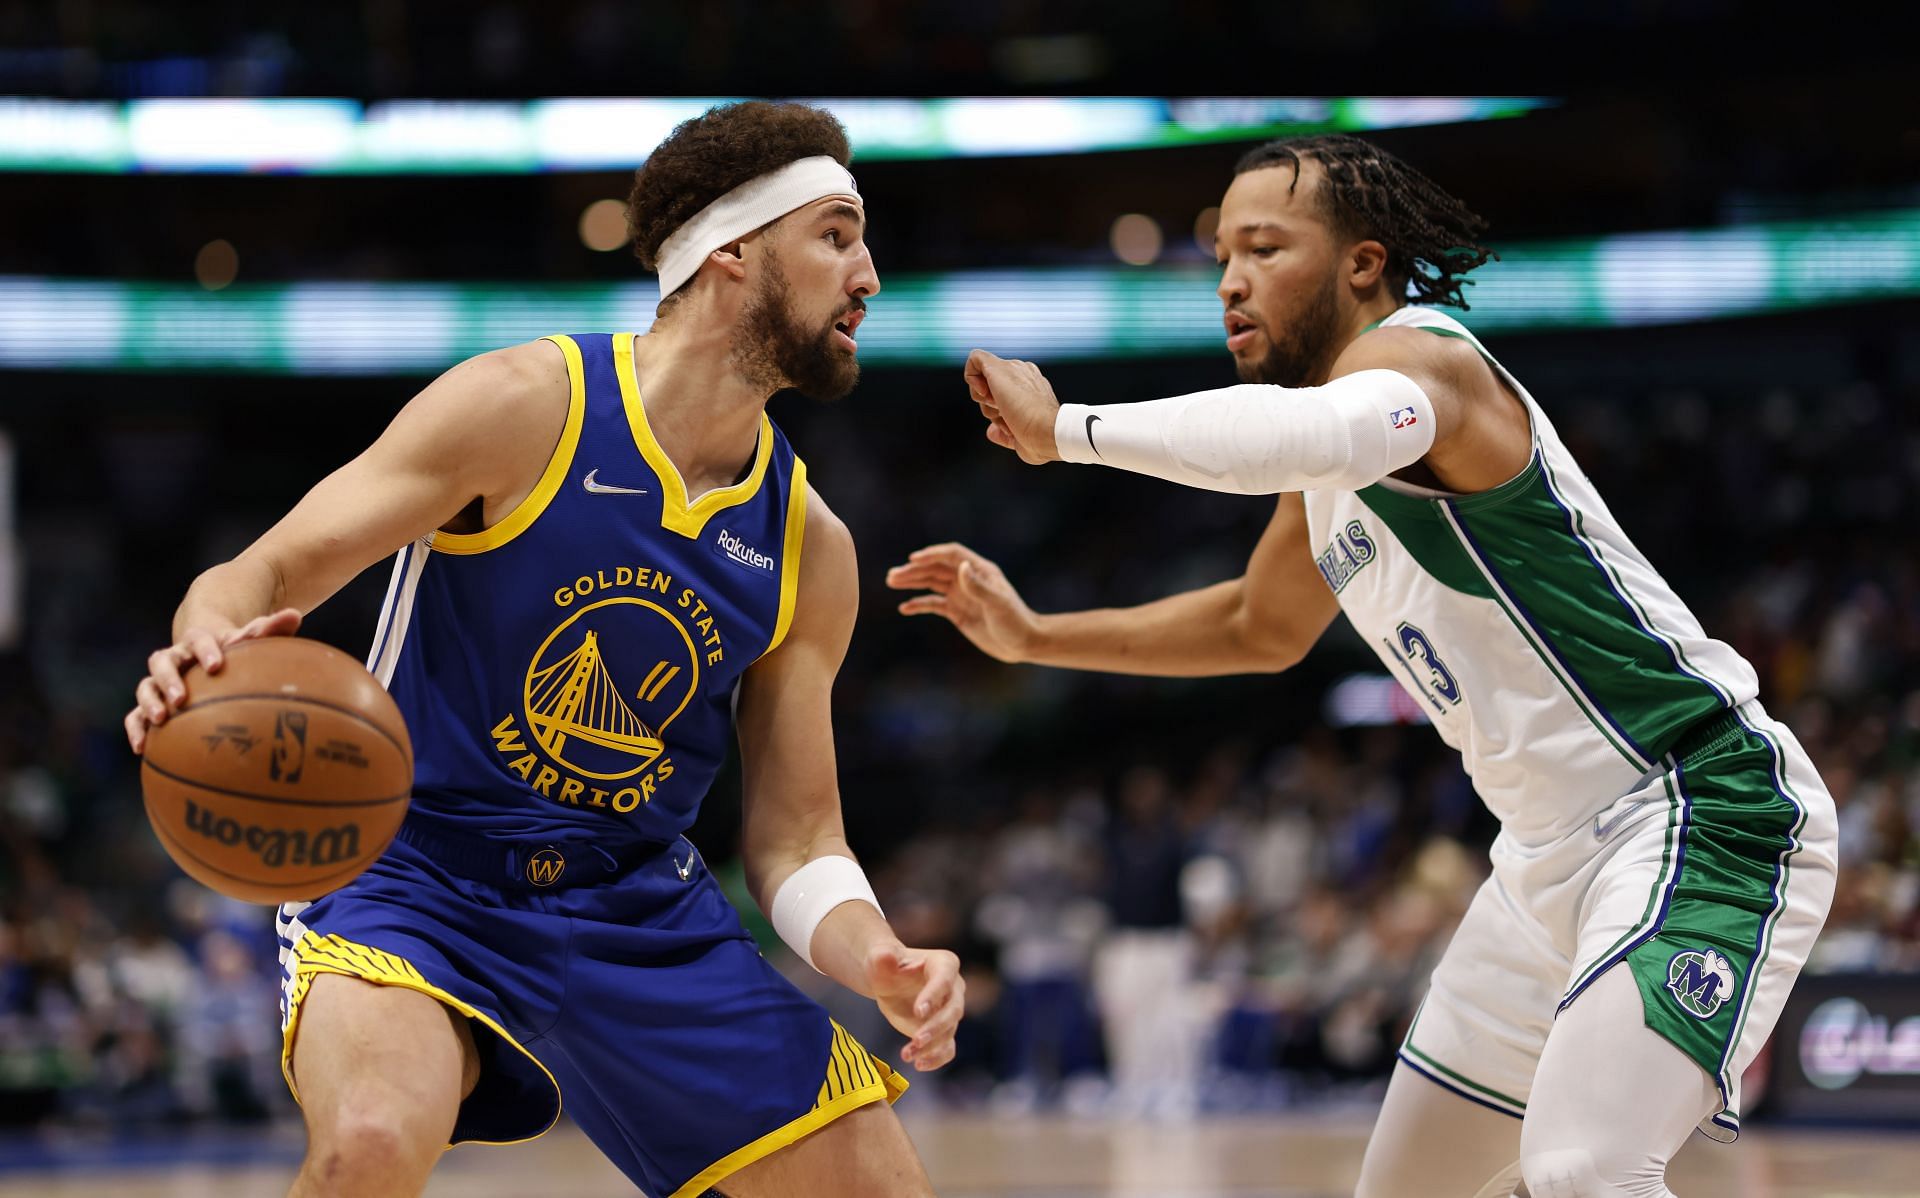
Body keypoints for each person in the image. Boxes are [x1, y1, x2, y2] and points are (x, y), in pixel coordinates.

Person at [887, 134, 1836, 1198]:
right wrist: (1035, 636)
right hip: (1542, 862)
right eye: (1220, 258)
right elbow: (1257, 624)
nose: (1233, 279)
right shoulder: (1329, 472)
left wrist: (1066, 429)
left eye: (1263, 247)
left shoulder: (1425, 364)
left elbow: (1300, 432)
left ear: (1361, 265)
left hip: (1698, 806)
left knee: (1585, 1170)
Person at [124, 101, 961, 1198]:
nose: (870, 276)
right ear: (731, 253)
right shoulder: (524, 408)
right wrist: (203, 654)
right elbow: (260, 575)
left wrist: (874, 955)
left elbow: (799, 836)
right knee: (371, 1144)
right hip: (414, 874)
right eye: (838, 235)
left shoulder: (810, 543)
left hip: (633, 905)